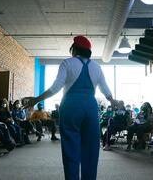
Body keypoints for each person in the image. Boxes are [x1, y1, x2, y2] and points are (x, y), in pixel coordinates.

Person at [24, 35, 118, 180]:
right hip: (91, 107)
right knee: (91, 148)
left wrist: (36, 100)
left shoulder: (67, 63)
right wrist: (112, 100)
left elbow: (55, 88)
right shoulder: (96, 67)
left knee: (70, 148)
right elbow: (105, 89)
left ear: (74, 49)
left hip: (71, 106)